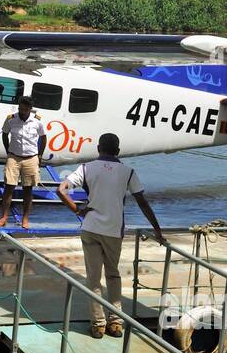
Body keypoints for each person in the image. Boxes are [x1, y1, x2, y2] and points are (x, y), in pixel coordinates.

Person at [58, 132, 166, 339]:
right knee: (113, 274)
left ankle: (98, 325)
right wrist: (158, 231)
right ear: (117, 151)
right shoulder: (128, 172)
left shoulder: (86, 168)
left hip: (90, 228)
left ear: (98, 148)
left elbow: (61, 189)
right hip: (113, 231)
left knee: (93, 277)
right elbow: (142, 202)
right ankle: (115, 321)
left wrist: (76, 210)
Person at [0, 95, 45, 228]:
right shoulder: (11, 119)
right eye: (20, 108)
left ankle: (25, 219)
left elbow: (43, 137)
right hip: (14, 157)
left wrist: (39, 155)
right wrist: (8, 151)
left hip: (31, 157)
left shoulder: (37, 121)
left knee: (28, 189)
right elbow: (5, 134)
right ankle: (4, 217)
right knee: (9, 187)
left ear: (30, 109)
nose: (22, 111)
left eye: (25, 109)